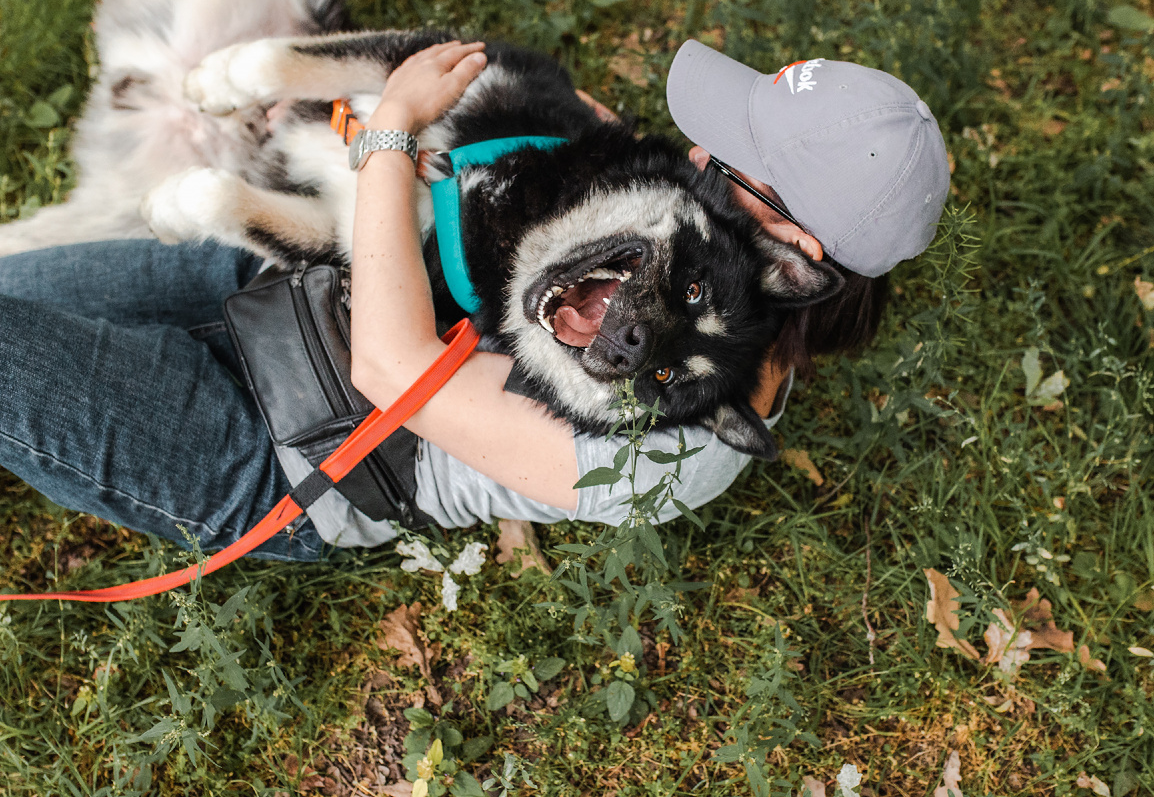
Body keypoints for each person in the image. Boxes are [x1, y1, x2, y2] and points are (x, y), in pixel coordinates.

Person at [0, 40, 948, 562]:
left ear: (795, 248)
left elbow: (392, 368)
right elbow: (584, 131)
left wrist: (391, 134)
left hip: (278, 451)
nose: (693, 158)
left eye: (726, 157)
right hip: (281, 278)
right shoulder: (711, 245)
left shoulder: (677, 450)